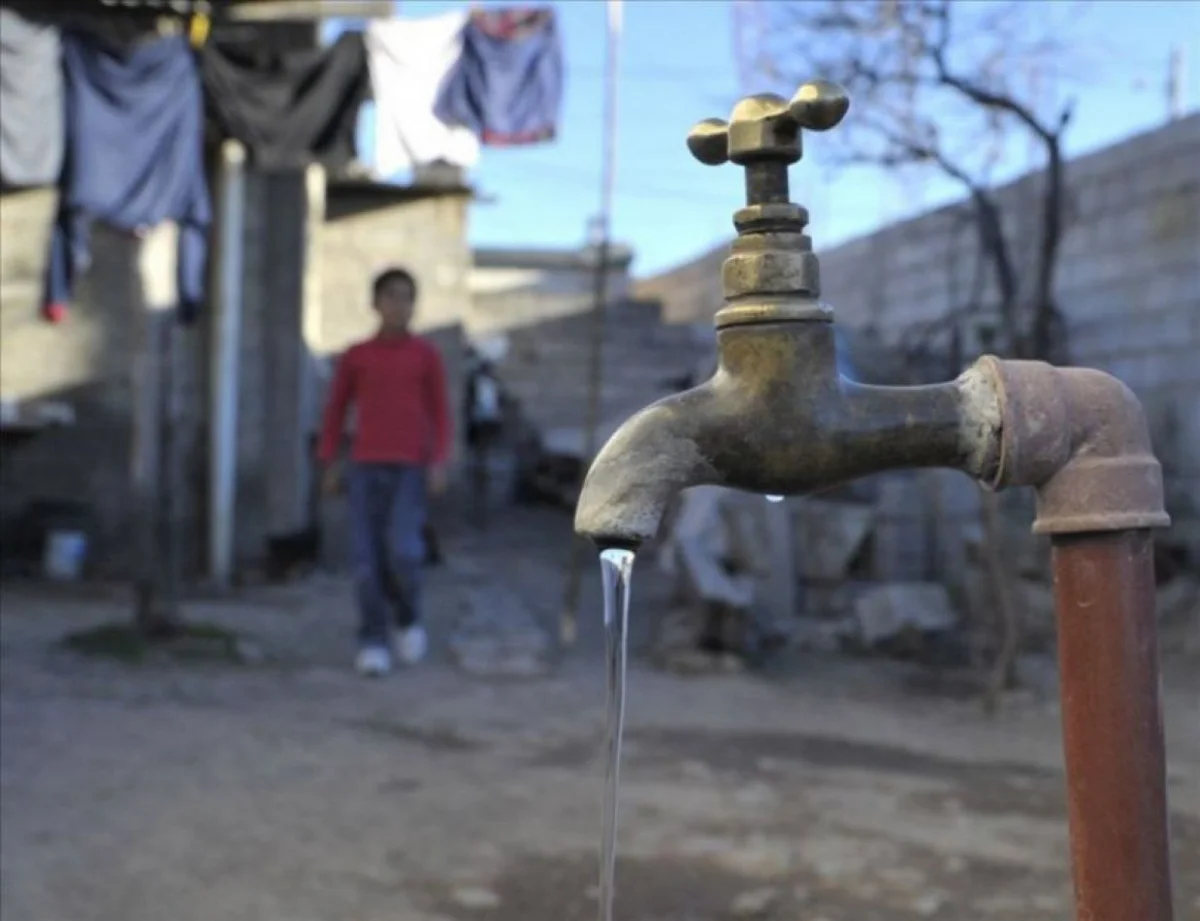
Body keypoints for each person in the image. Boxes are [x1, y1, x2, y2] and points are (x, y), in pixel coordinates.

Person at [317, 267, 452, 676]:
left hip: (409, 468)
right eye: (391, 296)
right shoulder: (357, 356)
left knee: (404, 552)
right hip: (364, 467)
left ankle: (407, 617)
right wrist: (330, 461)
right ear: (376, 304)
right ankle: (372, 640)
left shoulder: (426, 356)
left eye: (406, 298)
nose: (399, 305)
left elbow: (441, 413)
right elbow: (336, 411)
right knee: (366, 561)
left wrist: (438, 461)